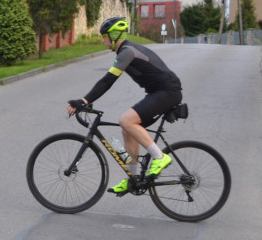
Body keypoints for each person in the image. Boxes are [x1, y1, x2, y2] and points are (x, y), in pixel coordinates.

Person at [66, 16, 183, 194]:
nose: (103, 40)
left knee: (126, 120)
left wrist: (84, 101)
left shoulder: (127, 51)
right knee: (127, 128)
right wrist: (87, 100)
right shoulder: (125, 51)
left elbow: (107, 81)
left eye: (104, 37)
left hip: (167, 92)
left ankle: (159, 157)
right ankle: (133, 179)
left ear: (113, 36)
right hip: (158, 92)